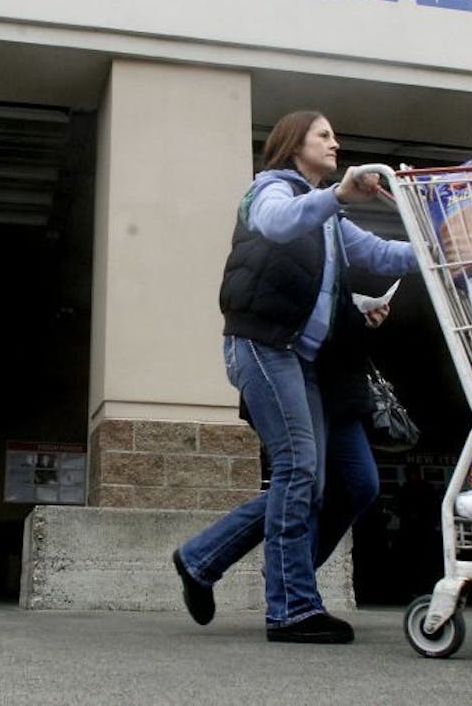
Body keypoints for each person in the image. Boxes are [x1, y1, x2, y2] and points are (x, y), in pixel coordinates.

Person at [173, 110, 417, 644]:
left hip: (304, 360)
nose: (336, 143)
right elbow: (279, 224)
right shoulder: (268, 191)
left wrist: (444, 248)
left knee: (323, 480)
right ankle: (291, 608)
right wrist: (341, 194)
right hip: (262, 347)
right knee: (299, 470)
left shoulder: (327, 216)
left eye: (334, 135)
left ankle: (205, 559)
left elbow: (380, 253)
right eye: (324, 135)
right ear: (293, 144)